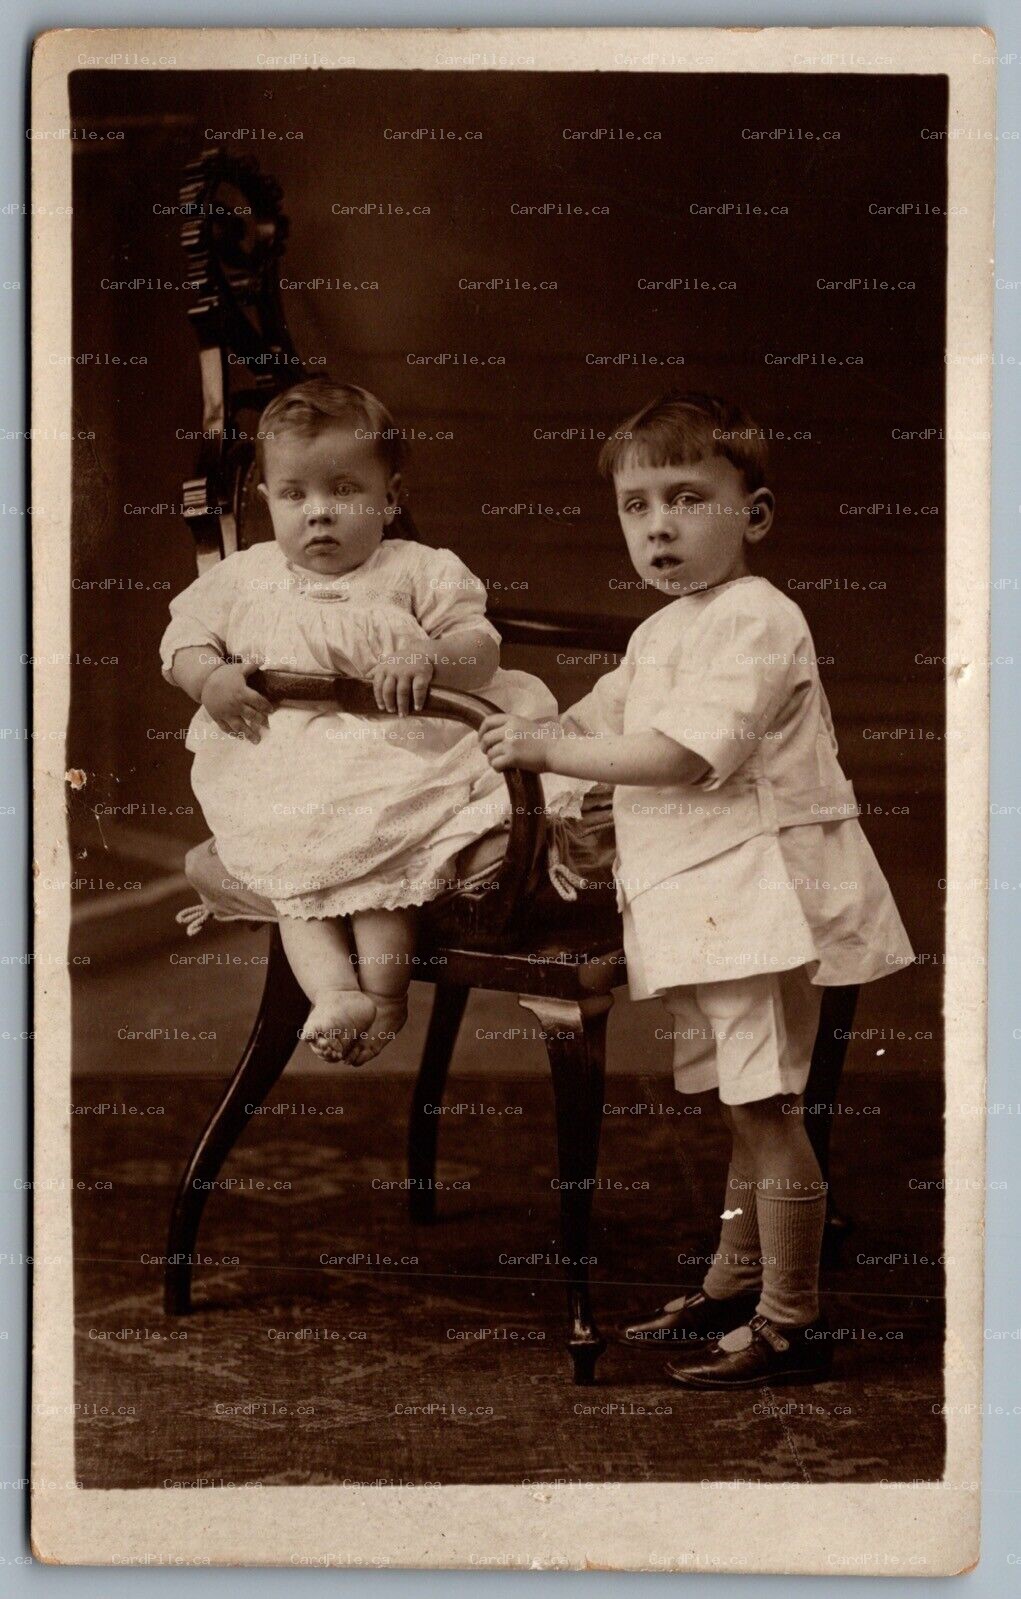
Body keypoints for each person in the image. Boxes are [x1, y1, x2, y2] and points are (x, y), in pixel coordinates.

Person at [480, 390, 915, 1388]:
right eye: (637, 506)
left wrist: (554, 748)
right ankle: (733, 1281)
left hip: (762, 900)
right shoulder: (664, 631)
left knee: (767, 1109)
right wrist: (533, 756)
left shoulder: (759, 618)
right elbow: (601, 720)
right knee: (740, 1102)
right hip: (707, 900)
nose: (659, 525)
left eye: (687, 497)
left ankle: (791, 1320)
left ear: (752, 516)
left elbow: (680, 756)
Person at [161, 377, 570, 1065]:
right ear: (268, 501)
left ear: (391, 497)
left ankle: (383, 995)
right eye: (295, 494)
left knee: (382, 867)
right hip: (287, 772)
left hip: (394, 761)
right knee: (296, 881)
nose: (318, 513)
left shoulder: (417, 569)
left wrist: (429, 653)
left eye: (344, 490)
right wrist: (210, 675)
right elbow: (180, 640)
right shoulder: (247, 577)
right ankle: (334, 993)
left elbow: (479, 648)